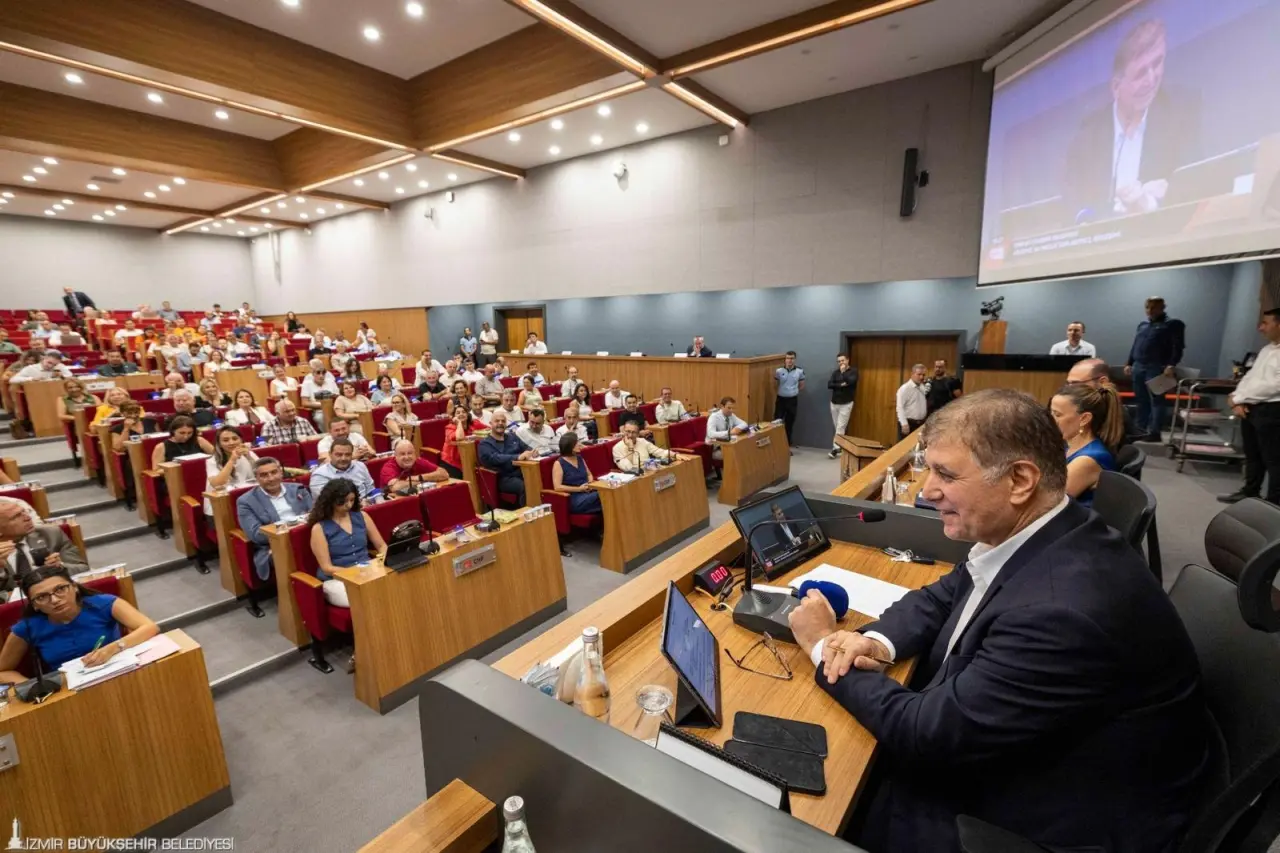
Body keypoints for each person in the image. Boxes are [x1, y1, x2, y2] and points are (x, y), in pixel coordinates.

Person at [786, 389, 1208, 853]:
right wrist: (877, 643)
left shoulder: (1059, 614)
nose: (927, 490)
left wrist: (823, 646)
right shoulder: (1045, 530)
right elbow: (942, 596)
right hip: (1040, 751)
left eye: (945, 474)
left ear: (1020, 480)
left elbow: (926, 734)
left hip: (1047, 820)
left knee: (813, 811)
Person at [1063, 19, 1200, 221]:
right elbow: (1072, 201)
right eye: (1140, 73)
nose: (1152, 79)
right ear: (1116, 87)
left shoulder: (1181, 112)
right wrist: (1092, 220)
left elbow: (1198, 184)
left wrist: (1149, 203)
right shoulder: (1089, 135)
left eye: (1157, 63)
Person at [0, 565, 159, 683]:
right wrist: (33, 686)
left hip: (120, 675)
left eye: (60, 589)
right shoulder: (27, 627)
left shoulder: (103, 604)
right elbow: (3, 671)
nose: (55, 600)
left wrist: (111, 649)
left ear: (75, 587)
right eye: (42, 597)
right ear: (34, 605)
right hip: (68, 689)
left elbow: (150, 627)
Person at [1220, 307, 1280, 505]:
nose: (1261, 328)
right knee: (1252, 455)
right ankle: (1250, 492)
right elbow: (1250, 378)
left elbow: (1274, 386)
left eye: (1265, 323)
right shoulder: (1267, 349)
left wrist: (1240, 399)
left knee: (1273, 460)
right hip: (1252, 408)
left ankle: (1273, 503)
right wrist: (1237, 396)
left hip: (1272, 411)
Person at [307, 479, 386, 617]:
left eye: (351, 500)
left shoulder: (362, 516)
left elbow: (381, 545)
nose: (348, 505)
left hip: (368, 571)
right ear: (331, 501)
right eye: (343, 502)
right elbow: (326, 567)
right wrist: (356, 573)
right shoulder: (319, 528)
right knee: (363, 598)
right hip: (337, 579)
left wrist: (383, 561)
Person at [236, 457, 313, 583]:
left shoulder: (298, 489)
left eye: (274, 472)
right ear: (256, 478)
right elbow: (256, 535)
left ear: (281, 472)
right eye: (264, 475)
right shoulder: (245, 501)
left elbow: (314, 517)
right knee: (291, 554)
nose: (271, 478)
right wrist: (290, 530)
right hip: (272, 546)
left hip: (306, 538)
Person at [1125, 296, 1186, 442]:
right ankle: (1139, 429)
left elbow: (1178, 346)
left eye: (1153, 307)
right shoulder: (1143, 325)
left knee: (1158, 400)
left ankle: (1154, 432)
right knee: (1141, 400)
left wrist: (1172, 365)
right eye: (1147, 307)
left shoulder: (1173, 324)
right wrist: (1129, 363)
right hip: (1139, 366)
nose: (1150, 310)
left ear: (1162, 308)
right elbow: (1135, 345)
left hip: (1158, 367)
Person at [1051, 383, 1122, 507]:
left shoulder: (1087, 460)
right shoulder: (1069, 445)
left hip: (1073, 524)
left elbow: (1049, 504)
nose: (1050, 420)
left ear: (1084, 419)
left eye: (1057, 415)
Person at [0, 502, 89, 595]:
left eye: (24, 512)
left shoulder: (51, 534)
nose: (28, 518)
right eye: (16, 517)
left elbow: (83, 569)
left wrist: (60, 567)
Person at [478, 411, 534, 506]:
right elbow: (494, 458)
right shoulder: (484, 444)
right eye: (497, 421)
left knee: (538, 480)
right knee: (525, 486)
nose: (500, 423)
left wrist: (532, 452)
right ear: (490, 424)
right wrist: (517, 457)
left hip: (522, 472)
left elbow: (527, 448)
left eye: (503, 421)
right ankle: (525, 512)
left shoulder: (512, 437)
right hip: (503, 478)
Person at [205, 426, 258, 513]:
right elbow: (217, 484)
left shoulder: (249, 454)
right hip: (221, 504)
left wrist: (249, 457)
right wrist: (232, 460)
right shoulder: (212, 461)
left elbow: (263, 473)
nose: (231, 442)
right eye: (226, 440)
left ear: (241, 440)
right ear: (219, 444)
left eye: (235, 438)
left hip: (247, 499)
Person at [552, 432, 602, 519]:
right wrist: (579, 489)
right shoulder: (559, 463)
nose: (579, 444)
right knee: (602, 496)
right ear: (570, 447)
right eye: (576, 443)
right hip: (575, 498)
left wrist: (590, 483)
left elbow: (589, 474)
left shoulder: (579, 458)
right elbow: (557, 487)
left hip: (588, 491)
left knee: (606, 493)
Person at [309, 437, 376, 499]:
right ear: (330, 454)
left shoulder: (360, 466)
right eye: (339, 455)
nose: (343, 458)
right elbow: (326, 502)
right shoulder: (319, 475)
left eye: (347, 454)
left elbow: (371, 491)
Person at [377, 439, 447, 494]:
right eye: (402, 454)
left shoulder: (418, 461)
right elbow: (396, 487)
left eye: (410, 453)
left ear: (415, 454)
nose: (407, 457)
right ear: (395, 456)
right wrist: (424, 481)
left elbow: (444, 474)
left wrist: (420, 477)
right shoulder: (388, 467)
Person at [613, 421, 680, 472]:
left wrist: (675, 455)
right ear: (623, 431)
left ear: (638, 434)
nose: (630, 435)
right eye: (628, 431)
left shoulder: (642, 441)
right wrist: (631, 448)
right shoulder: (617, 448)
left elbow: (659, 452)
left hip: (650, 471)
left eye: (633, 432)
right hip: (635, 478)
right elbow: (629, 468)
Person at [827, 353, 858, 459]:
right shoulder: (835, 373)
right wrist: (841, 384)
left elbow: (851, 381)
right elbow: (830, 384)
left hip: (846, 404)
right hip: (834, 403)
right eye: (839, 361)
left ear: (848, 360)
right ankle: (841, 447)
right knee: (838, 427)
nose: (841, 363)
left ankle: (835, 449)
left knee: (840, 427)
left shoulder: (853, 371)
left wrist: (844, 373)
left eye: (842, 360)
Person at [773, 350, 804, 448]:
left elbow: (801, 385)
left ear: (795, 360)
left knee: (789, 424)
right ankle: (776, 445)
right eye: (787, 358)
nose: (789, 360)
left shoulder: (800, 371)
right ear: (785, 360)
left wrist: (792, 391)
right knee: (777, 422)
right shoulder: (779, 371)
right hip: (781, 400)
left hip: (792, 400)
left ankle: (786, 446)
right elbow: (775, 384)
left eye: (792, 358)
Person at [706, 397, 748, 465]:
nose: (731, 410)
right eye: (729, 408)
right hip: (717, 449)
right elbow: (710, 434)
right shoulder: (714, 417)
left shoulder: (731, 415)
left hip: (728, 445)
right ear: (722, 406)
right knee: (737, 455)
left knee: (744, 451)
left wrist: (737, 428)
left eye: (733, 408)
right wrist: (729, 432)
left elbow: (744, 423)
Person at [300, 359, 339, 426]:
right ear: (313, 374)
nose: (321, 375)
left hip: (334, 408)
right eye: (318, 373)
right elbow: (304, 403)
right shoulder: (307, 384)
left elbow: (338, 396)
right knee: (321, 418)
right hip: (319, 411)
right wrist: (322, 405)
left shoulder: (331, 381)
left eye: (323, 373)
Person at [895, 363, 928, 439]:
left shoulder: (922, 387)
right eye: (919, 374)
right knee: (904, 448)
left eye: (923, 375)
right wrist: (904, 424)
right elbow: (900, 407)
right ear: (912, 374)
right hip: (908, 423)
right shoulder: (904, 389)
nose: (921, 377)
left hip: (920, 424)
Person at [440, 406, 474, 479]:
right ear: (454, 417)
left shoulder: (471, 426)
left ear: (468, 414)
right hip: (451, 463)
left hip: (467, 461)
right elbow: (460, 437)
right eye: (458, 413)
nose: (461, 414)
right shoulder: (449, 428)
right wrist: (459, 423)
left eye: (463, 412)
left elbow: (488, 428)